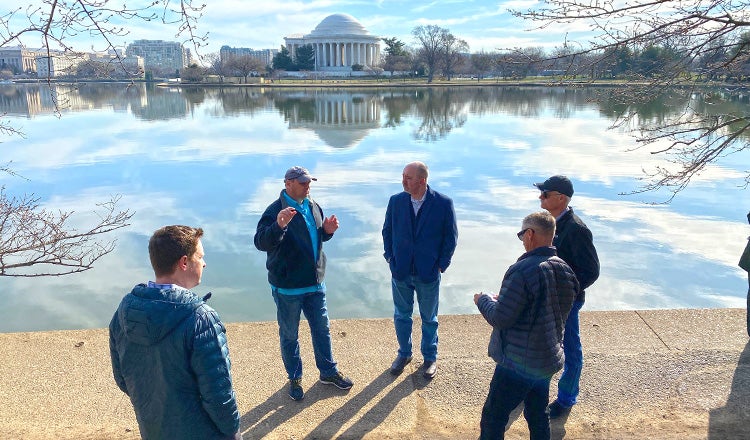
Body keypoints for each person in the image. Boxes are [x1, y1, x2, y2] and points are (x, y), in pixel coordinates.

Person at [109, 225, 241, 440]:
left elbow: (123, 379)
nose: (204, 263)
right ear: (184, 262)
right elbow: (219, 396)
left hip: (153, 428)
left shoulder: (124, 313)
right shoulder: (201, 319)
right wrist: (232, 432)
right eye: (200, 257)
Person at [474, 211, 579, 440]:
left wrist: (482, 300)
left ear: (530, 234)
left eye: (522, 234)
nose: (522, 239)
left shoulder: (522, 271)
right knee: (537, 413)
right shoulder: (566, 270)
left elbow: (500, 318)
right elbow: (549, 311)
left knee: (494, 417)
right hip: (546, 359)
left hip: (518, 363)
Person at [254, 166, 353, 401]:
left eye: (309, 182)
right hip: (288, 287)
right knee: (290, 335)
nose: (308, 186)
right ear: (288, 183)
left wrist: (327, 232)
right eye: (302, 182)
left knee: (322, 329)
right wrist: (278, 226)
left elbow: (316, 237)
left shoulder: (313, 205)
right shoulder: (274, 210)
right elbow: (260, 242)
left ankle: (328, 372)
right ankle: (295, 377)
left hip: (315, 284)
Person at [382, 161, 458, 378]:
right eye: (403, 175)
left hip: (429, 271)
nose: (403, 180)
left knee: (429, 318)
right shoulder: (396, 201)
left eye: (408, 177)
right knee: (402, 315)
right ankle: (404, 354)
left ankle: (430, 358)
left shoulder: (443, 203)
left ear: (422, 180)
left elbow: (450, 237)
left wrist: (442, 264)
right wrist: (390, 257)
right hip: (401, 270)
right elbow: (387, 231)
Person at [533, 175, 600, 419]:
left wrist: (566, 291)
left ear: (561, 198)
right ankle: (534, 391)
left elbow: (591, 271)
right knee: (541, 346)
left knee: (570, 349)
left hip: (566, 303)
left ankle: (566, 398)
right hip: (545, 298)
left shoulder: (577, 229)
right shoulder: (546, 222)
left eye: (545, 194)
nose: (540, 197)